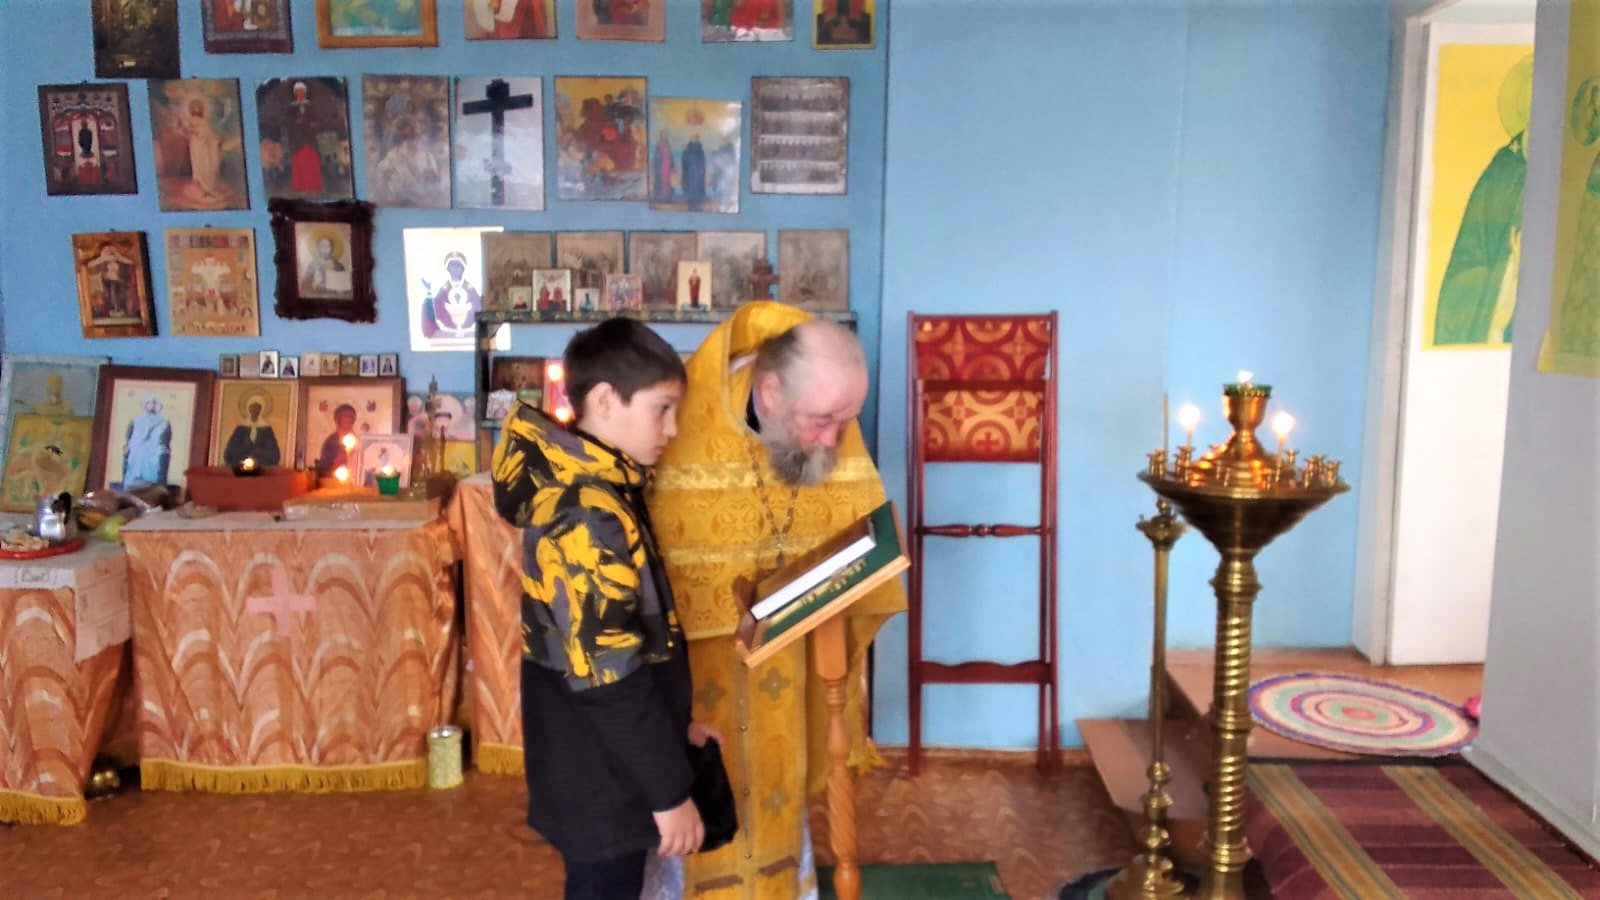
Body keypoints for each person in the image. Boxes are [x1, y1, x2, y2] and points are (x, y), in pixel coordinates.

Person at [647, 302, 905, 898]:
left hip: (788, 665)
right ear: (769, 393)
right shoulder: (687, 424)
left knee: (778, 795)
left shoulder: (832, 425)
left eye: (847, 420)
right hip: (696, 675)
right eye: (821, 421)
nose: (835, 439)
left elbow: (854, 524)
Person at [491, 318, 719, 900]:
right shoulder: (584, 511)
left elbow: (624, 636)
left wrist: (674, 726)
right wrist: (668, 791)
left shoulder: (608, 488)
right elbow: (607, 675)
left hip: (606, 761)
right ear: (604, 400)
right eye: (661, 409)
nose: (672, 429)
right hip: (599, 775)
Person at [122, 395, 173, 488]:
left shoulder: (163, 421)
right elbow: (130, 435)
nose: (152, 405)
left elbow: (166, 439)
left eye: (153, 403)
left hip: (153, 450)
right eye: (149, 403)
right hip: (136, 450)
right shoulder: (137, 420)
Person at [223, 394, 281, 467]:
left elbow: (274, 454)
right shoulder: (240, 429)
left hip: (261, 466)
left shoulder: (266, 429)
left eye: (257, 407)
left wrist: (257, 451)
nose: (254, 410)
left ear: (261, 409)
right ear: (248, 408)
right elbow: (230, 452)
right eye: (252, 407)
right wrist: (245, 449)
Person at [316, 403, 359, 474]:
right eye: (344, 416)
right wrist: (337, 461)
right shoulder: (331, 441)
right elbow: (324, 467)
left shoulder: (358, 441)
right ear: (338, 419)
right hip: (335, 477)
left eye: (350, 416)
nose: (347, 419)